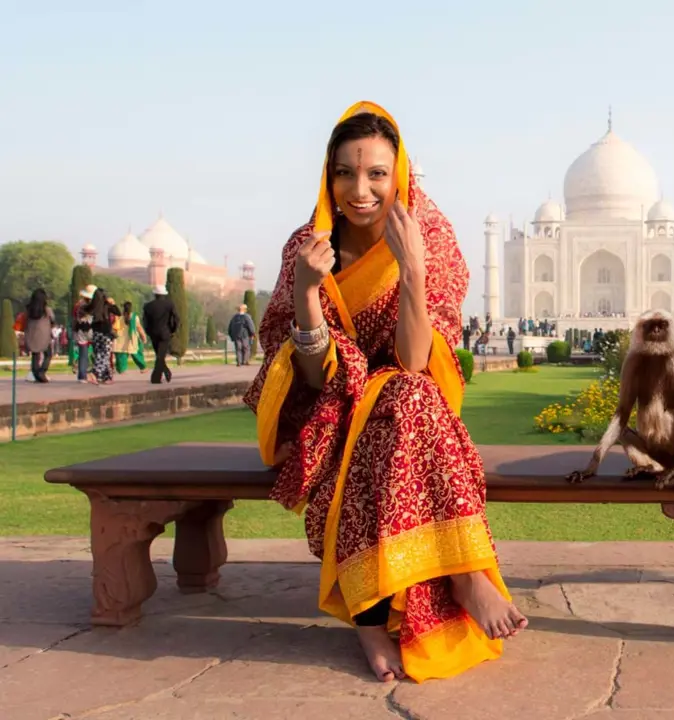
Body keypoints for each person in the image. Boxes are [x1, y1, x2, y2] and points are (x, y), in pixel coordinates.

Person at [244, 101, 526, 685]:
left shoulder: (428, 234)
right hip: (331, 413)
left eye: (376, 173)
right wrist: (304, 291)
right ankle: (461, 573)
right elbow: (312, 376)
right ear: (328, 175)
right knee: (398, 405)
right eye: (345, 172)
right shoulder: (309, 243)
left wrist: (413, 270)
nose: (360, 189)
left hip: (405, 411)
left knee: (406, 394)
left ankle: (382, 614)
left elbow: (419, 362)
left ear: (399, 175)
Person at [142, 286, 178, 384]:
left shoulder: (148, 306)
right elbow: (175, 319)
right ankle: (156, 378)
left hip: (153, 333)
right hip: (165, 332)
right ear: (164, 294)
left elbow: (145, 321)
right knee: (160, 356)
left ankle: (165, 371)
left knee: (159, 355)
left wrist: (148, 331)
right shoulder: (169, 305)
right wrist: (173, 330)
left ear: (155, 294)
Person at [19, 288, 55, 383]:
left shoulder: (28, 310)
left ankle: (36, 373)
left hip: (31, 336)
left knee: (35, 354)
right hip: (44, 336)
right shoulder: (47, 310)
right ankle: (42, 371)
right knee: (48, 354)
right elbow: (53, 321)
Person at [87, 288, 122, 384]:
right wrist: (112, 303)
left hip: (96, 333)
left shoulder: (92, 306)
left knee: (99, 354)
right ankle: (95, 373)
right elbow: (118, 312)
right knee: (104, 355)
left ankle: (107, 376)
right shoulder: (106, 305)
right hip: (105, 333)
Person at [113, 301, 148, 374]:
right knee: (137, 354)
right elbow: (139, 328)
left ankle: (121, 370)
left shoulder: (119, 317)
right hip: (132, 338)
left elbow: (115, 328)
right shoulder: (134, 317)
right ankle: (143, 368)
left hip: (121, 339)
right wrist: (144, 337)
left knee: (121, 354)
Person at [72, 285, 96, 382]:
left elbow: (74, 317)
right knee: (96, 353)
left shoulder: (78, 305)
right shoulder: (93, 306)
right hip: (92, 330)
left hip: (80, 330)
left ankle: (82, 376)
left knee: (83, 354)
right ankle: (95, 373)